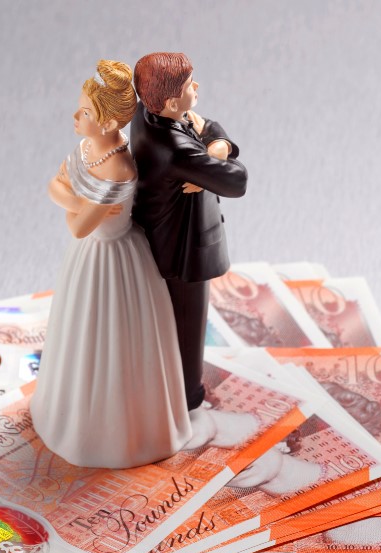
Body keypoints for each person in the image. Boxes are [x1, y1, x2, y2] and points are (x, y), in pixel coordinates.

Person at [29, 61, 192, 469]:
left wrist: (74, 203)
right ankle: (71, 418)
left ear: (103, 121)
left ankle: (119, 437)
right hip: (88, 261)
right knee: (80, 336)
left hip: (116, 262)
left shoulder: (119, 168)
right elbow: (54, 189)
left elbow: (79, 225)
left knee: (117, 344)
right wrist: (78, 203)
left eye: (83, 112)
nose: (74, 116)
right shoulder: (87, 148)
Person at [130, 52, 248, 411]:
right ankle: (185, 397)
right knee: (187, 325)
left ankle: (169, 387)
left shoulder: (146, 115)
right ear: (169, 101)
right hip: (184, 251)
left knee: (171, 323)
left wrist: (217, 146)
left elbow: (205, 123)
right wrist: (211, 161)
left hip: (163, 239)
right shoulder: (176, 151)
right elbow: (237, 181)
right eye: (188, 86)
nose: (196, 87)